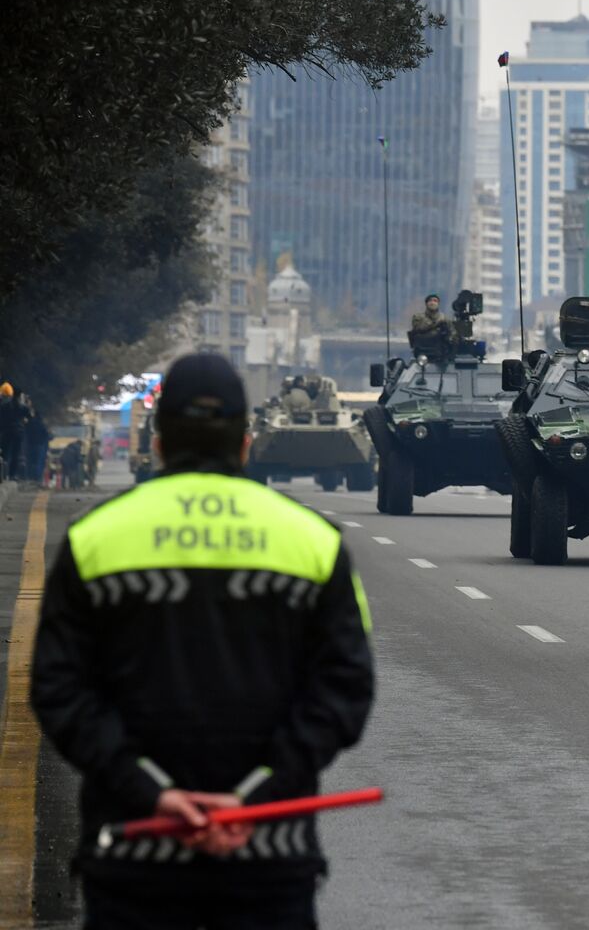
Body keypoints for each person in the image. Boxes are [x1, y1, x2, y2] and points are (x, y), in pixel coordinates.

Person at [31, 352, 375, 929]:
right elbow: (346, 689)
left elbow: (58, 688)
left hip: (135, 858)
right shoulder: (314, 542)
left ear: (159, 442)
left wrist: (151, 792)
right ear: (246, 444)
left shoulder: (94, 540)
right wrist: (258, 794)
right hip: (267, 856)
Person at [0, 383, 32, 482]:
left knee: (5, 453)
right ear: (20, 395)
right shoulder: (23, 407)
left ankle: (3, 474)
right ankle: (12, 475)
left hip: (6, 432)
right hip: (18, 432)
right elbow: (30, 417)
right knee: (16, 453)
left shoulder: (5, 406)